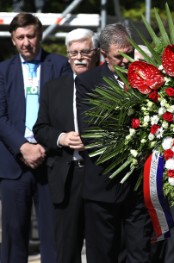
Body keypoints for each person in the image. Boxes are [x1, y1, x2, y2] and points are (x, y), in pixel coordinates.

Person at [75, 23, 153, 263]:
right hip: (103, 186)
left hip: (139, 189)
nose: (126, 61)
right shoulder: (88, 82)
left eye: (130, 54)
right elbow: (91, 133)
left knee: (141, 254)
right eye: (119, 57)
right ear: (104, 54)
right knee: (103, 255)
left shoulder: (147, 78)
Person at [0, 12, 71, 263]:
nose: (26, 42)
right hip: (13, 163)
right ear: (12, 40)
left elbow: (64, 111)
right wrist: (22, 147)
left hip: (50, 159)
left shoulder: (60, 65)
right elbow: (0, 116)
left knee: (53, 234)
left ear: (39, 35)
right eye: (20, 37)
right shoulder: (2, 71)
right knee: (13, 235)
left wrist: (42, 145)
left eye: (30, 36)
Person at [33, 28, 99, 263]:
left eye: (84, 51)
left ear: (95, 53)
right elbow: (40, 128)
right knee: (66, 250)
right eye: (74, 52)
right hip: (65, 176)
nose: (79, 57)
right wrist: (61, 138)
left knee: (99, 249)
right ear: (67, 55)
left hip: (98, 177)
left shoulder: (107, 85)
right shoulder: (53, 88)